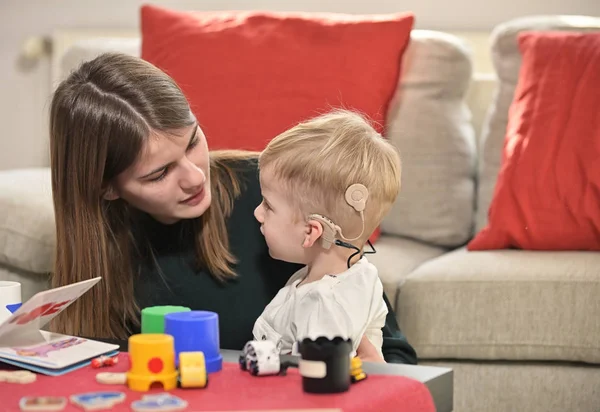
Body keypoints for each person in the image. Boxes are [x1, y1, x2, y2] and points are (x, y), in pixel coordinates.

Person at [48, 52, 417, 364]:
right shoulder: (101, 258)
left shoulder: (278, 193)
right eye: (159, 173)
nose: (195, 177)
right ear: (107, 188)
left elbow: (396, 356)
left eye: (193, 141)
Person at [252, 110, 400, 361]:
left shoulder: (324, 306)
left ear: (311, 232)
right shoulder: (355, 276)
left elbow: (314, 385)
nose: (257, 213)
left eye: (268, 205)